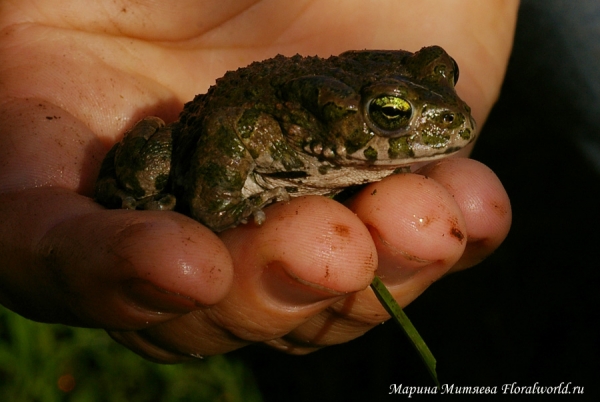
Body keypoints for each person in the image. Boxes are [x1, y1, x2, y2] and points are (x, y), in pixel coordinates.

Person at [0, 0, 516, 362]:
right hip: (193, 145)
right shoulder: (285, 127)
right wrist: (216, 206)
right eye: (391, 112)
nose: (448, 116)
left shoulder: (346, 140)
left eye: (443, 76)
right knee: (151, 161)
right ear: (341, 121)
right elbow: (236, 124)